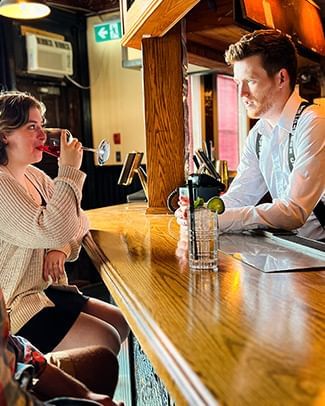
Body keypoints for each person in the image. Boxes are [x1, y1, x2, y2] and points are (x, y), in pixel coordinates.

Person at [0, 91, 129, 355]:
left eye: (42, 125)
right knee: (105, 340)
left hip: (46, 291)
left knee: (121, 322)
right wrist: (69, 170)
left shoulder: (35, 176)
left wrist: (61, 248)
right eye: (31, 127)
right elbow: (51, 227)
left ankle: (72, 385)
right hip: (15, 308)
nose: (42, 135)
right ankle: (68, 393)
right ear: (4, 135)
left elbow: (79, 219)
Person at [177, 29, 325, 241]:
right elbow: (241, 197)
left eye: (251, 81)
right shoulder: (258, 135)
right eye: (238, 83)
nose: (242, 94)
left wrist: (217, 220)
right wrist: (201, 213)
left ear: (281, 78)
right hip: (292, 248)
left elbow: (294, 212)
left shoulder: (314, 123)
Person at [0, 288, 124, 406]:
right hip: (26, 307)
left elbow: (16, 346)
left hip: (16, 376)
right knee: (104, 338)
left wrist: (87, 395)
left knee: (102, 361)